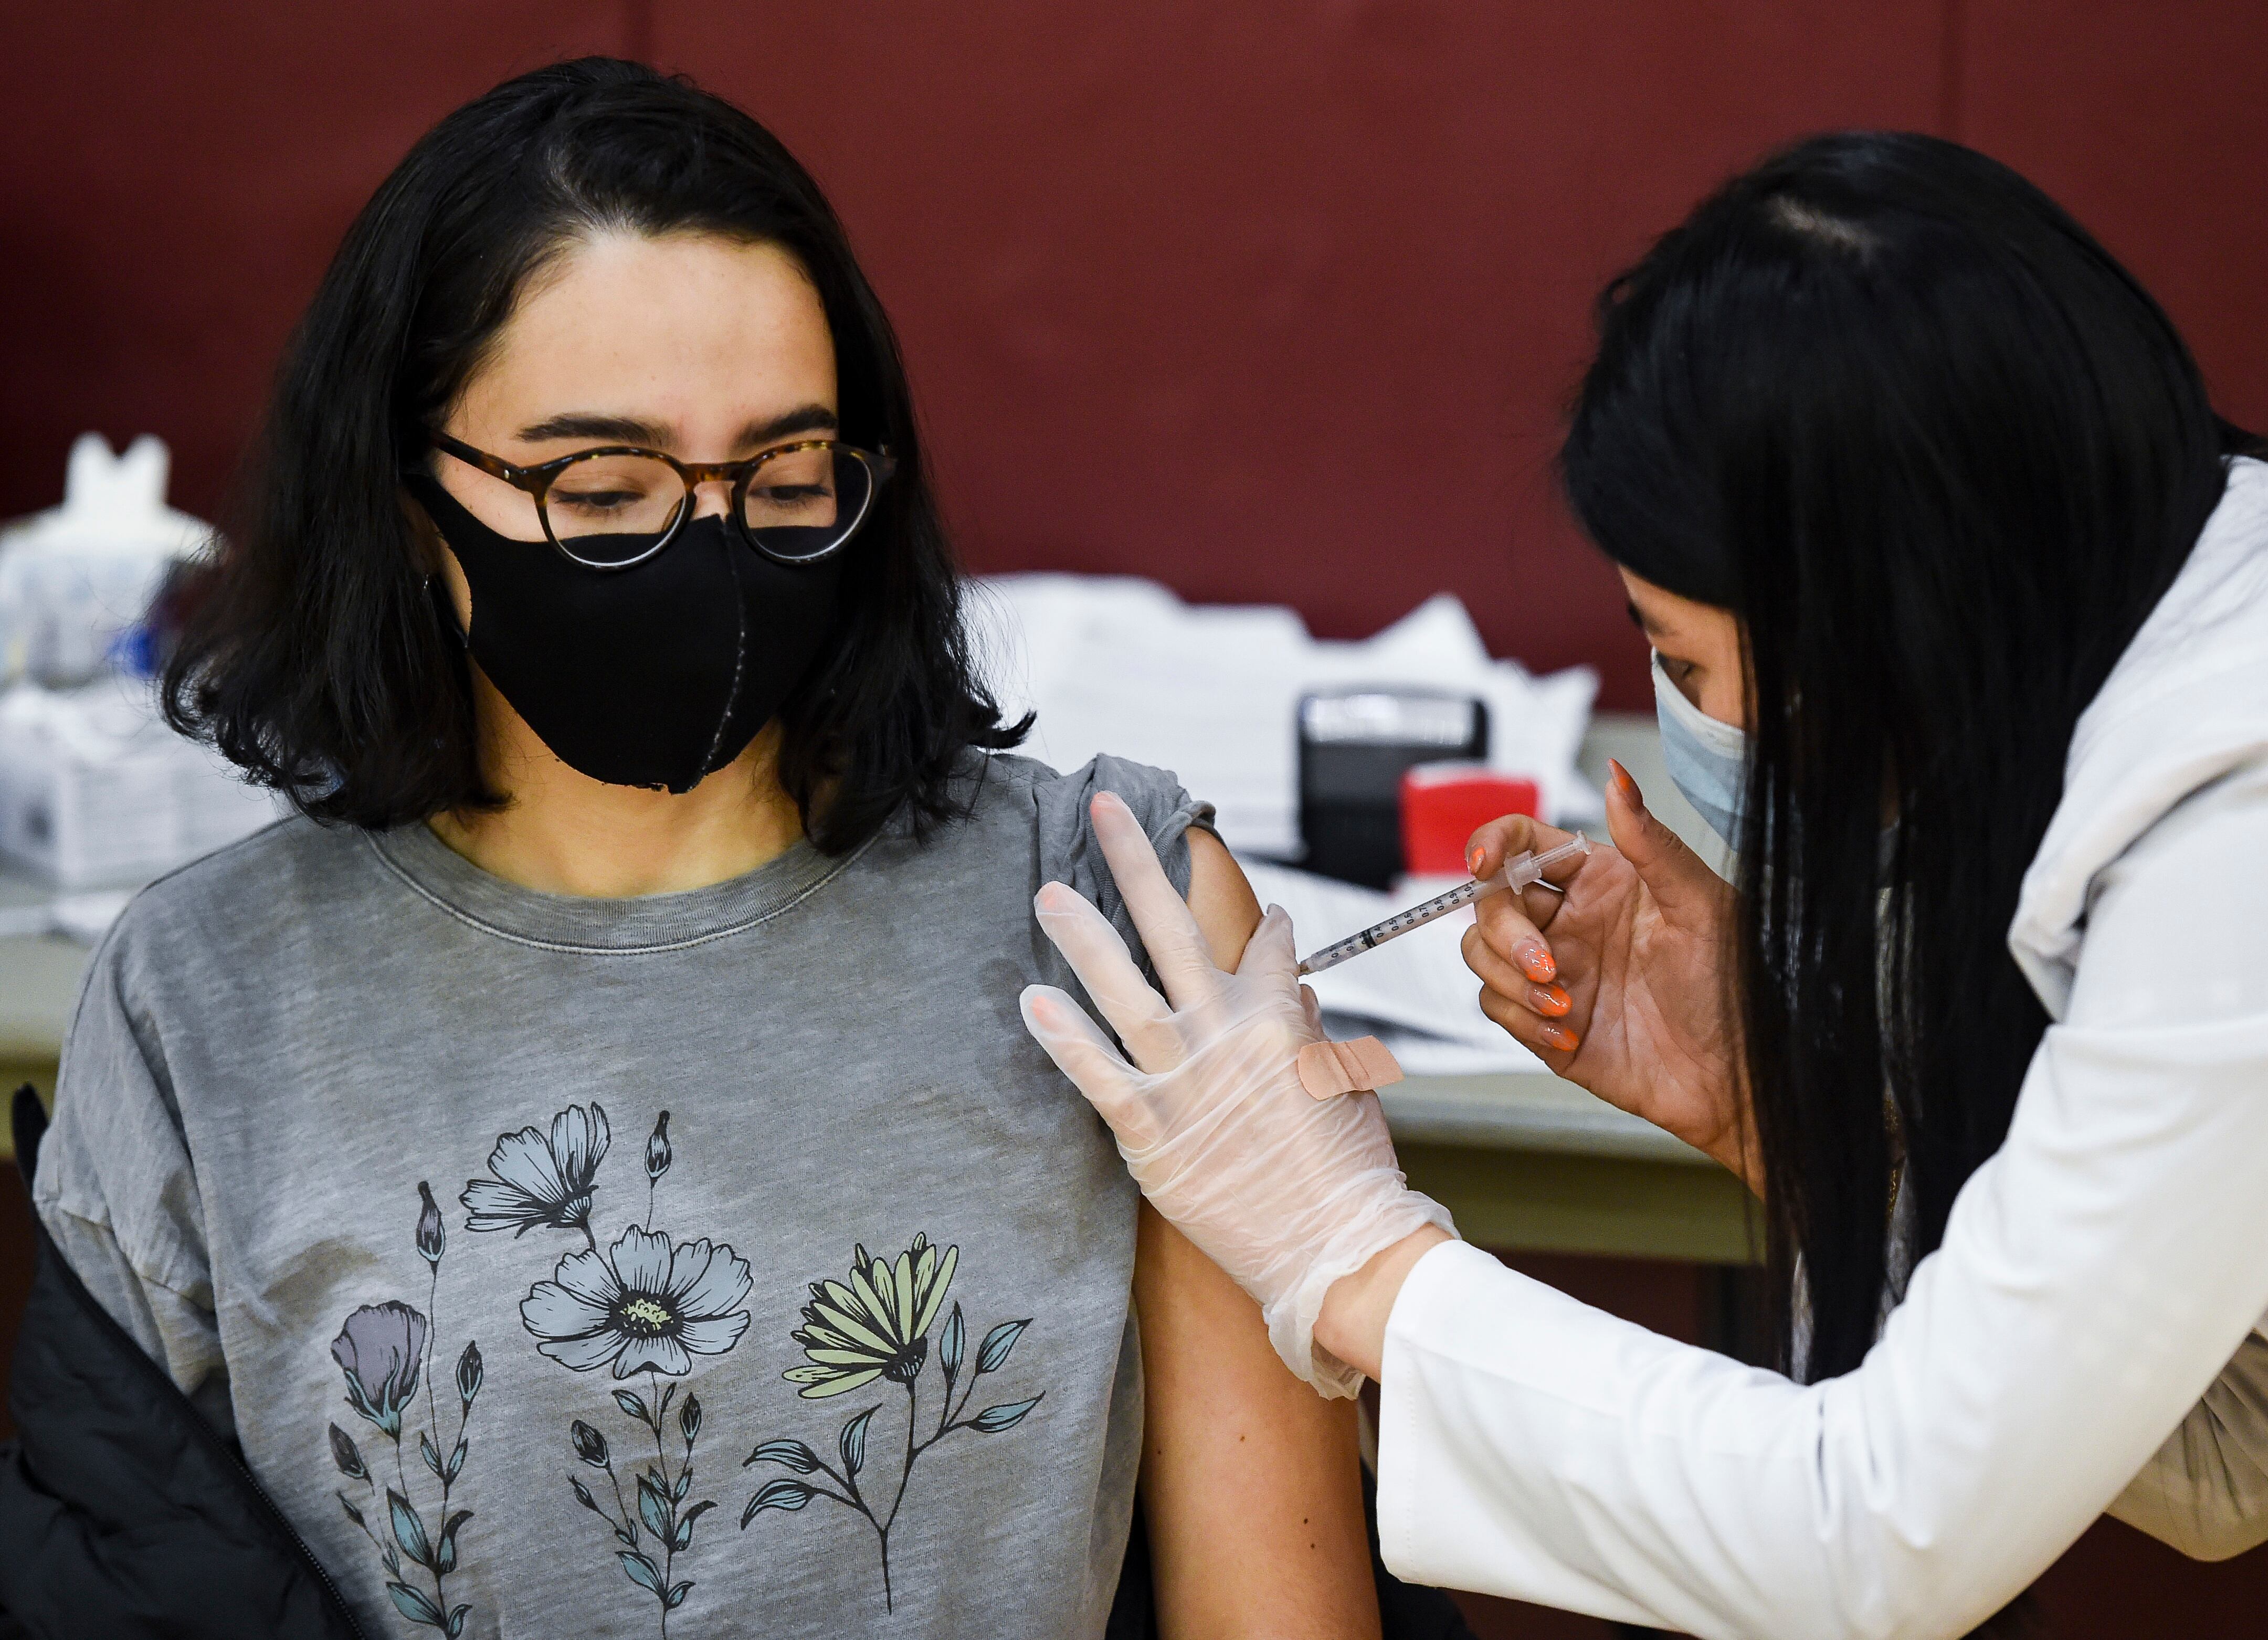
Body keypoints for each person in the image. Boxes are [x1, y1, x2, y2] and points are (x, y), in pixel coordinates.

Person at [5, 59, 1392, 1640]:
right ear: (402, 506)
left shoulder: (1108, 916)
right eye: (604, 492)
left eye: (790, 481)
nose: (713, 554)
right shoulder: (204, 1004)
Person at [1020, 131, 2268, 1638]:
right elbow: (2231, 1446)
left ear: (1884, 620)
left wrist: (1353, 1258)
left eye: (1685, 658)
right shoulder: (2215, 667)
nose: (1686, 715)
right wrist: (1770, 1099)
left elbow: (1882, 1542)